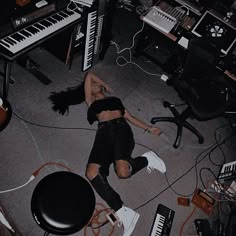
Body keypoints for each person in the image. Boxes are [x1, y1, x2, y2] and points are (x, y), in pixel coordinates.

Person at [84, 72, 166, 236]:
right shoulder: (90, 101)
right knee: (91, 173)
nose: (95, 85)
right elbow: (89, 75)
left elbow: (130, 117)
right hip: (103, 134)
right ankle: (123, 211)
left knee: (123, 173)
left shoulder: (115, 101)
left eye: (97, 84)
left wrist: (149, 129)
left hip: (121, 129)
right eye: (93, 86)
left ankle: (146, 159)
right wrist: (103, 83)